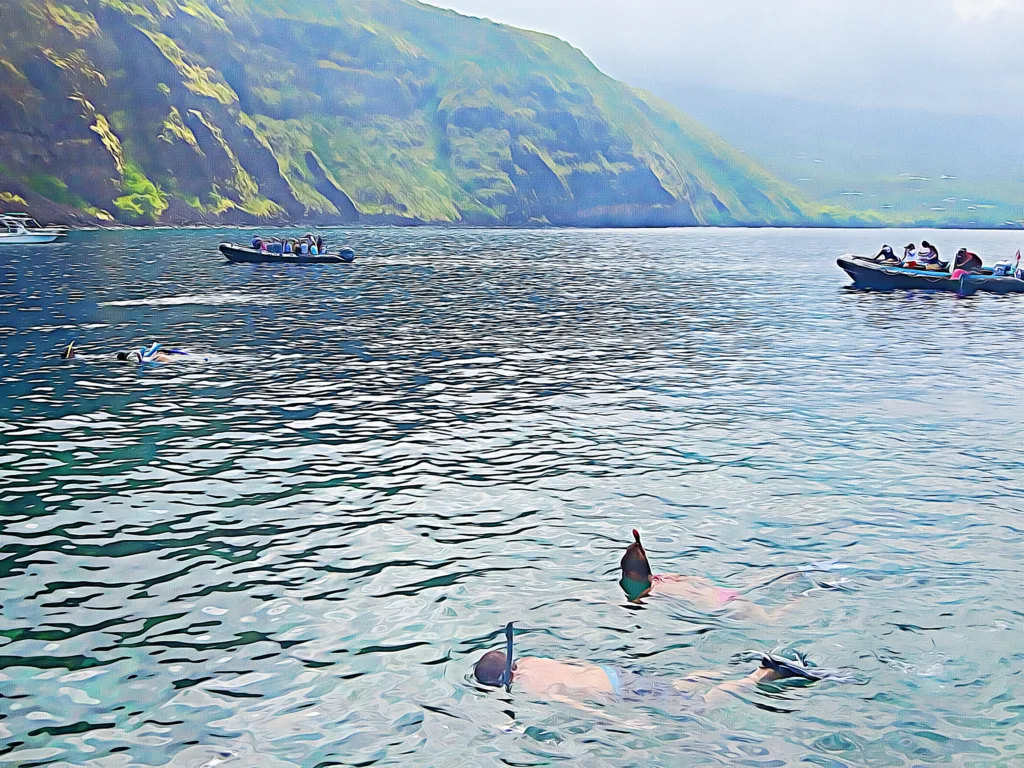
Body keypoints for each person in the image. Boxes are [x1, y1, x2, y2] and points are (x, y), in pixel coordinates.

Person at [472, 623, 848, 706]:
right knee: (680, 684)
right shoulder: (531, 660)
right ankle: (735, 665)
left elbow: (566, 697)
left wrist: (614, 719)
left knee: (697, 704)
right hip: (612, 672)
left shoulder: (526, 685)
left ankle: (760, 673)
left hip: (611, 690)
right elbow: (573, 666)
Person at [619, 530, 795, 622]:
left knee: (773, 621)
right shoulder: (666, 577)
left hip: (729, 609)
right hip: (727, 596)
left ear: (632, 574)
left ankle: (802, 600)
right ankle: (796, 594)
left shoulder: (652, 592)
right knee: (770, 617)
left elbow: (639, 602)